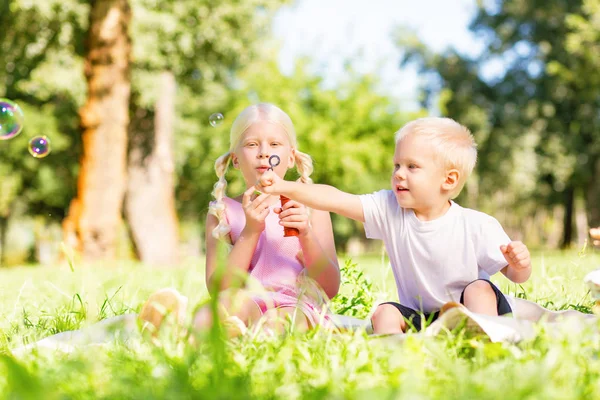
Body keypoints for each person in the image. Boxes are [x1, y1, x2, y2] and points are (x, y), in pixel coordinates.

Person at [258, 117, 531, 334]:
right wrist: (285, 186)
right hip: (425, 320)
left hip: (471, 311)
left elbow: (517, 276)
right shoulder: (390, 209)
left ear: (448, 180)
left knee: (479, 289)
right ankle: (394, 349)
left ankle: (485, 338)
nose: (398, 173)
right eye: (397, 165)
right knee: (384, 312)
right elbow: (336, 199)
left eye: (412, 167)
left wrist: (519, 265)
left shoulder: (477, 225)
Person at [141, 103, 340, 337]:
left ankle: (230, 335)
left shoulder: (313, 206)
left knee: (280, 323)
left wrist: (306, 235)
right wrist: (251, 231)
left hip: (296, 305)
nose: (264, 152)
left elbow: (330, 287)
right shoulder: (223, 212)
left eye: (274, 144)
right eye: (252, 144)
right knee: (212, 313)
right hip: (242, 301)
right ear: (235, 159)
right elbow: (220, 289)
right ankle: (175, 326)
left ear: (290, 158)